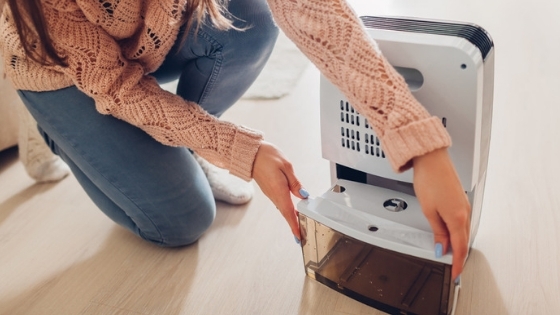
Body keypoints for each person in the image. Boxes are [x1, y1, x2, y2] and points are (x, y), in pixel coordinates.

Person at [0, 0, 470, 281]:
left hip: (151, 36)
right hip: (62, 65)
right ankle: (53, 128)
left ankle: (184, 142)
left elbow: (310, 10)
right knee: (182, 222)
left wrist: (414, 138)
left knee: (253, 15)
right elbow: (119, 89)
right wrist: (240, 150)